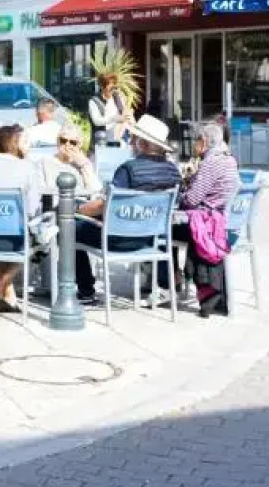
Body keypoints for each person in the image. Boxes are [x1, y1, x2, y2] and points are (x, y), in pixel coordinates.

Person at [74, 114, 181, 304]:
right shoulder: (173, 171)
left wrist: (78, 210)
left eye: (133, 138)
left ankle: (85, 290)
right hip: (152, 240)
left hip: (119, 239)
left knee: (69, 228)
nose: (130, 142)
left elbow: (105, 205)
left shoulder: (128, 169)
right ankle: (165, 283)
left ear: (143, 144)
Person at [0, 124, 41, 314]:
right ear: (14, 143)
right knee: (46, 236)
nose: (30, 145)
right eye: (26, 141)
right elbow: (33, 207)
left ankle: (0, 293)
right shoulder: (28, 166)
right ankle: (4, 281)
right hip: (14, 236)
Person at [176, 122, 240, 317]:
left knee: (163, 229)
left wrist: (181, 193)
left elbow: (191, 200)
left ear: (203, 142)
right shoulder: (229, 159)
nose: (193, 146)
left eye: (195, 141)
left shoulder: (211, 162)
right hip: (221, 224)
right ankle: (175, 279)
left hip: (208, 224)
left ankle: (167, 282)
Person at [87, 74, 131, 146]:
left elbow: (125, 117)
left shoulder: (119, 99)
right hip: (101, 141)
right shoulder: (94, 101)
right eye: (110, 85)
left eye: (114, 85)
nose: (113, 88)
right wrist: (114, 118)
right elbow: (97, 121)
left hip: (118, 142)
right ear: (102, 86)